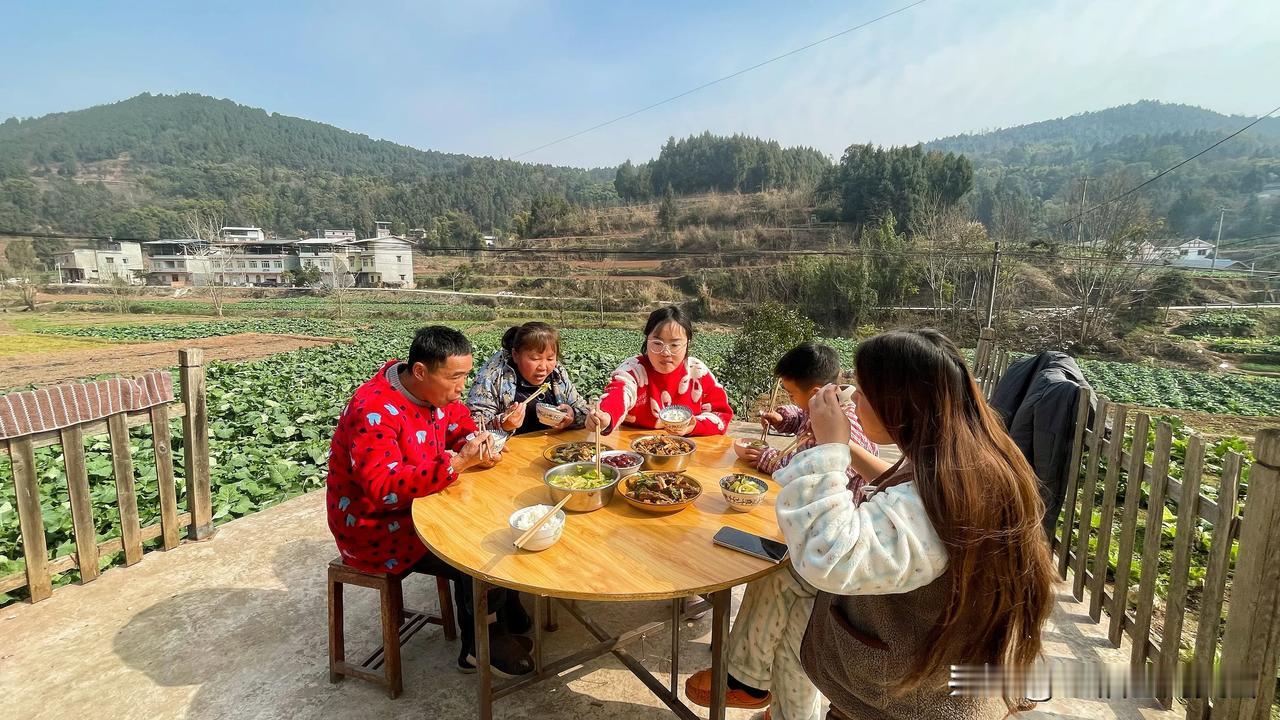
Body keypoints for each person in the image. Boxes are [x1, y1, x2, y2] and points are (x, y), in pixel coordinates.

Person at [774, 329, 1056, 719]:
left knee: (787, 586)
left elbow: (827, 555)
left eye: (864, 390)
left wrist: (829, 451)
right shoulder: (966, 455)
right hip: (941, 674)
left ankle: (749, 682)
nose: (853, 398)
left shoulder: (937, 503)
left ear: (901, 403)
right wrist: (848, 448)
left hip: (904, 701)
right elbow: (899, 484)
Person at [325, 325, 534, 678]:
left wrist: (479, 443)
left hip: (419, 504)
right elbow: (383, 488)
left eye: (465, 377)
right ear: (420, 371)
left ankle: (503, 614)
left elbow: (460, 425)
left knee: (503, 521)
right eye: (455, 378)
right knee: (481, 551)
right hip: (377, 526)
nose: (461, 388)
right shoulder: (373, 408)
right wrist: (457, 463)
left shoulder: (435, 396)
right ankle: (480, 645)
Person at [685, 342, 879, 720]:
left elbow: (811, 469)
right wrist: (785, 414)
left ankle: (746, 680)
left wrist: (766, 458)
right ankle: (766, 694)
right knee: (794, 642)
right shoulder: (829, 405)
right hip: (826, 548)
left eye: (792, 394)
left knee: (775, 575)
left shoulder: (846, 428)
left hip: (837, 559)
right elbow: (805, 425)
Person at [587, 305, 733, 436]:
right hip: (635, 449)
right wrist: (606, 416)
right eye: (657, 343)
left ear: (687, 345)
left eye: (675, 345)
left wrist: (693, 426)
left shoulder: (697, 372)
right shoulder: (634, 370)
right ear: (647, 341)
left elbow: (720, 414)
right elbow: (619, 393)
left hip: (689, 451)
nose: (665, 352)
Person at [467, 321, 591, 435]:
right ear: (515, 355)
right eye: (535, 358)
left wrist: (573, 416)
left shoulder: (557, 374)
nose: (543, 367)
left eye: (550, 359)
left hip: (551, 448)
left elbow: (584, 411)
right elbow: (474, 425)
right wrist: (504, 424)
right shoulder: (492, 375)